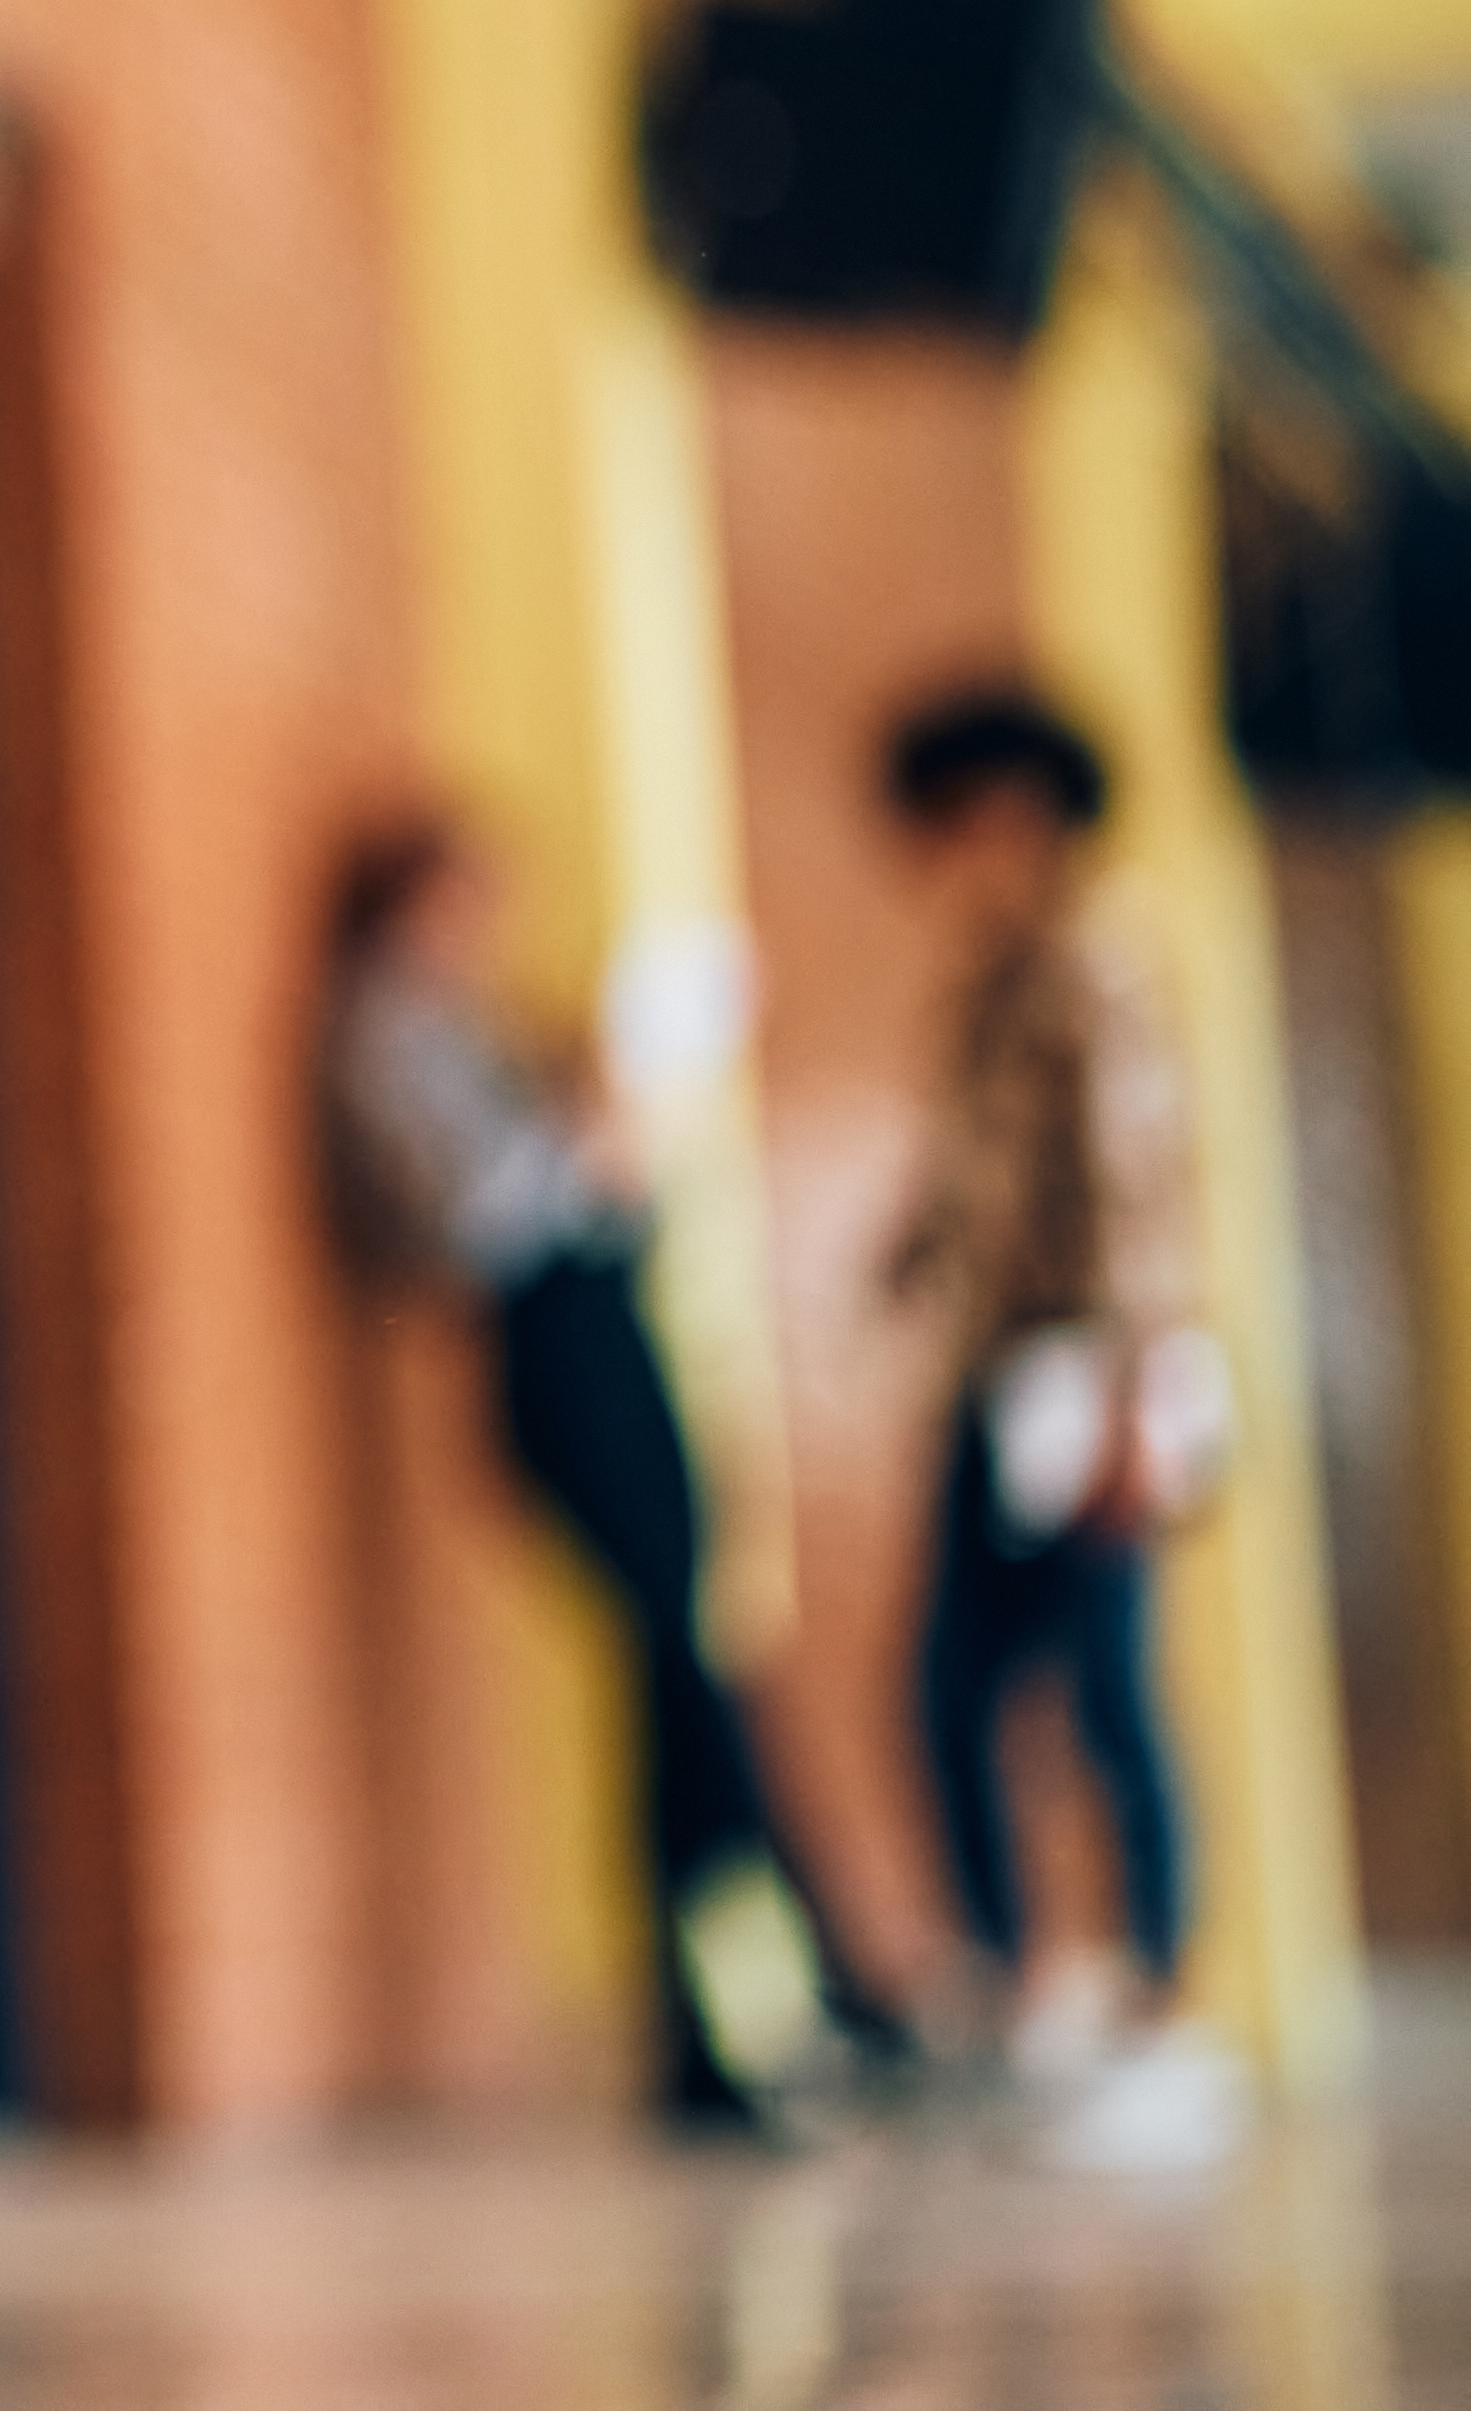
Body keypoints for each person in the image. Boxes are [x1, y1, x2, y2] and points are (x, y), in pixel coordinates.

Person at [320, 817, 843, 2127]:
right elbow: (474, 1219)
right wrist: (573, 1116)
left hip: (620, 1348)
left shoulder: (482, 1026)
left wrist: (605, 1115)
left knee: (691, 1675)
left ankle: (763, 1996)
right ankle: (752, 1997)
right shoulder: (382, 1032)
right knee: (677, 1676)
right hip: (554, 1368)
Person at [877, 686, 1230, 2146]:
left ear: (1015, 814)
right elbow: (974, 1185)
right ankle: (1027, 1984)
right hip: (996, 1378)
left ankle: (1157, 1998)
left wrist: (1146, 1400)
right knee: (954, 1689)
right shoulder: (988, 981)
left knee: (1109, 1686)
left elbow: (1138, 1189)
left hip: (1089, 1377)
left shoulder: (1096, 963)